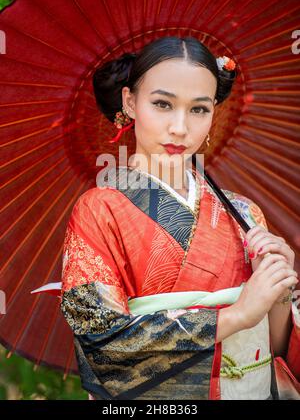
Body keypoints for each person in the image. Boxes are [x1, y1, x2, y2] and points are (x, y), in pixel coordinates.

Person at [60, 36, 300, 400]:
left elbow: (277, 347)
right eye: (162, 104)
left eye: (199, 109)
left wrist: (278, 289)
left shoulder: (246, 213)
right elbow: (102, 345)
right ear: (130, 102)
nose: (180, 128)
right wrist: (234, 317)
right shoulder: (99, 210)